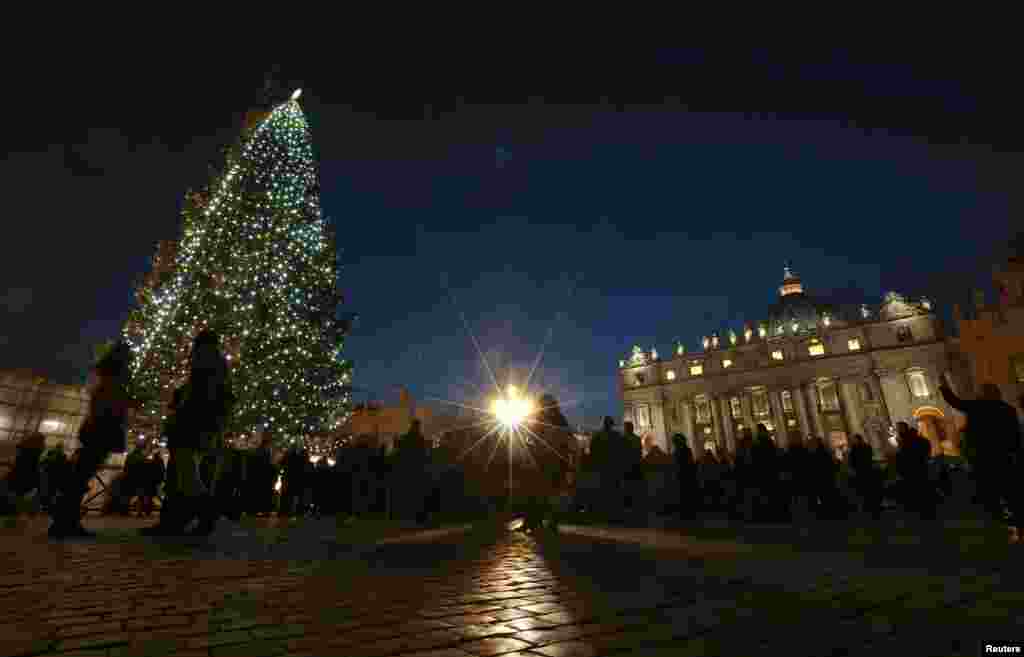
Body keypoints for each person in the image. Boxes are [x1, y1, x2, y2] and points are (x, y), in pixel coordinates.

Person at [143, 330, 235, 537]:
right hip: (201, 427)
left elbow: (198, 396)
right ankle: (177, 521)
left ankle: (203, 515)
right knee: (183, 474)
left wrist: (181, 406)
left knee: (184, 474)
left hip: (192, 426)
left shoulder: (206, 364)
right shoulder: (217, 366)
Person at [49, 342, 138, 539]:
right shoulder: (115, 381)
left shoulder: (106, 377)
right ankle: (65, 521)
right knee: (81, 476)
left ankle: (65, 519)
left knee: (80, 474)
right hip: (102, 431)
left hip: (96, 430)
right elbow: (111, 406)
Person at [939, 380, 1022, 525]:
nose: (977, 393)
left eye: (980, 391)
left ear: (984, 394)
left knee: (988, 487)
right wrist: (1013, 450)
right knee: (1007, 487)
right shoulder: (1008, 409)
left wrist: (944, 386)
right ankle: (1015, 514)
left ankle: (998, 516)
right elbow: (1014, 434)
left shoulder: (978, 406)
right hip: (1003, 455)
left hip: (982, 455)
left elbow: (955, 402)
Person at [848, 434, 882, 519]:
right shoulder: (859, 448)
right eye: (852, 440)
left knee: (868, 490)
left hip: (864, 471)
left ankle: (872, 506)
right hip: (862, 471)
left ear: (858, 439)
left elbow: (854, 460)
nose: (853, 441)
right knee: (865, 490)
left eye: (854, 439)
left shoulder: (859, 448)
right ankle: (870, 506)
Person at [672, 434, 697, 521]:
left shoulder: (678, 452)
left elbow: (677, 465)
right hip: (687, 477)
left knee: (685, 497)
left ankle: (687, 514)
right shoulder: (686, 450)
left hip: (683, 477)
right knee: (687, 497)